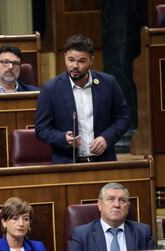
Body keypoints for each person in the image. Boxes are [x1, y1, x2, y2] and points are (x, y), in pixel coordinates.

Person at [35, 34, 130, 164]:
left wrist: (106, 138)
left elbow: (123, 118)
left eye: (81, 61)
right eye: (71, 59)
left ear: (91, 60)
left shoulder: (108, 83)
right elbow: (41, 129)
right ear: (64, 58)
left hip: (103, 162)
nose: (75, 65)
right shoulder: (50, 89)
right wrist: (63, 138)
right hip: (67, 164)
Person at [68, 182, 156, 251]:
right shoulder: (81, 235)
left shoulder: (143, 232)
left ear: (128, 207)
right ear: (100, 205)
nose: (117, 205)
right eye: (111, 199)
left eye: (122, 200)